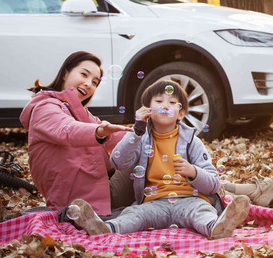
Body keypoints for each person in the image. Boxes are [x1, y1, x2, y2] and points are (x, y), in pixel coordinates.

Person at [70, 79, 250, 239]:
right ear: (148, 110)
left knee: (202, 212)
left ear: (181, 114)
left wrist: (193, 172)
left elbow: (213, 183)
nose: (165, 105)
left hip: (191, 199)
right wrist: (137, 129)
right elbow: (118, 161)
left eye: (172, 102)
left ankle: (216, 227)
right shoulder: (141, 139)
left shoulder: (191, 142)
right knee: (133, 214)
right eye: (158, 101)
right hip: (154, 202)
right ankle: (105, 228)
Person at [19, 51, 134, 218]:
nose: (88, 84)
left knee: (145, 146)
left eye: (94, 82)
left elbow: (115, 136)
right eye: (84, 74)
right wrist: (99, 131)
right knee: (144, 157)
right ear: (65, 73)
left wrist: (143, 133)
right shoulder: (44, 108)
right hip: (81, 198)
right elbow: (68, 130)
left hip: (96, 189)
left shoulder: (80, 113)